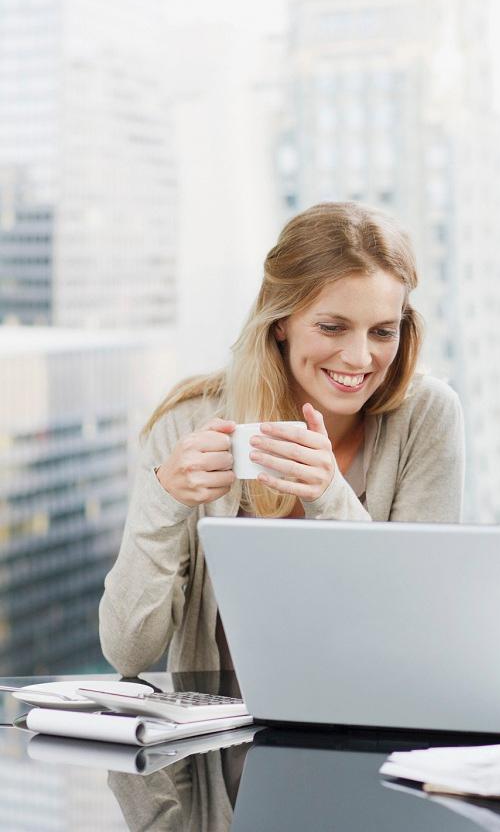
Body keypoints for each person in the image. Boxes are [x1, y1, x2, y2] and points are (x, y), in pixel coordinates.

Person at [100, 201, 464, 677]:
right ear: (280, 322)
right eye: (331, 327)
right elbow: (128, 652)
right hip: (223, 741)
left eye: (382, 332)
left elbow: (416, 628)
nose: (359, 357)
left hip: (377, 729)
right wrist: (163, 501)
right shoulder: (186, 423)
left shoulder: (426, 415)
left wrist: (331, 498)